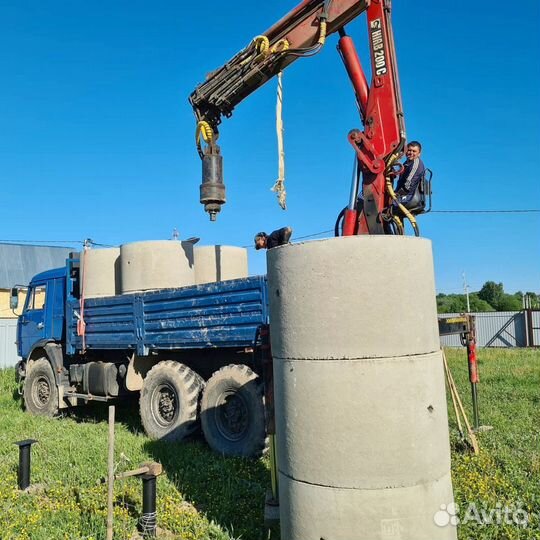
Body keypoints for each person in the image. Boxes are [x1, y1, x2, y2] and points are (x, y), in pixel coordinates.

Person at [388, 140, 426, 215]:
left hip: (410, 196)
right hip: (405, 195)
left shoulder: (416, 164)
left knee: (384, 205)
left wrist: (395, 195)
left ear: (419, 154)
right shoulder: (407, 163)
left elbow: (408, 186)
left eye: (414, 151)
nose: (411, 153)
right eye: (409, 150)